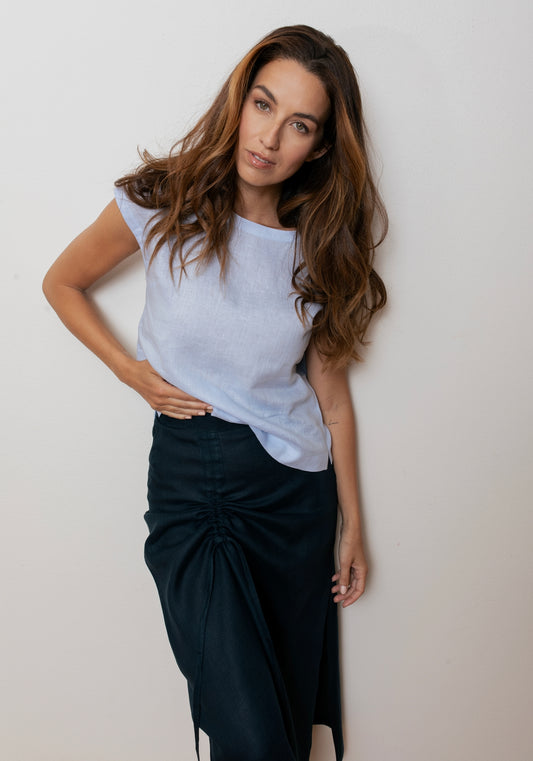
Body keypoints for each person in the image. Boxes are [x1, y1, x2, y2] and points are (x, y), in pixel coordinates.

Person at [42, 24, 387, 761]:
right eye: (263, 104)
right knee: (251, 737)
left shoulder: (318, 246)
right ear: (240, 100)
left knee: (284, 730)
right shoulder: (163, 198)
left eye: (299, 124)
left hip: (292, 498)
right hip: (191, 485)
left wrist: (353, 523)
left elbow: (331, 399)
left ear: (319, 147)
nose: (270, 137)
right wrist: (130, 371)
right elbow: (62, 282)